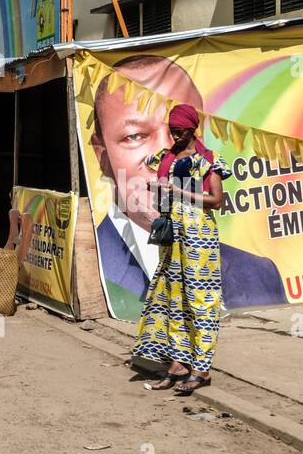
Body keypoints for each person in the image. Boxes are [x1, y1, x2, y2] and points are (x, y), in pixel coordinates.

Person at [90, 55, 285, 318]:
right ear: (102, 155)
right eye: (135, 136)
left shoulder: (260, 273)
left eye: (180, 133)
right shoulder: (91, 269)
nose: (163, 152)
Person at [132, 104, 231, 396]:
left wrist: (181, 192)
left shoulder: (207, 160)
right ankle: (178, 365)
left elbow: (216, 200)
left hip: (200, 238)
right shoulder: (167, 159)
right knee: (173, 298)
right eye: (172, 131)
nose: (175, 135)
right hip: (173, 238)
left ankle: (202, 368)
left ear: (192, 129)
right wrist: (159, 191)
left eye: (180, 131)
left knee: (201, 301)